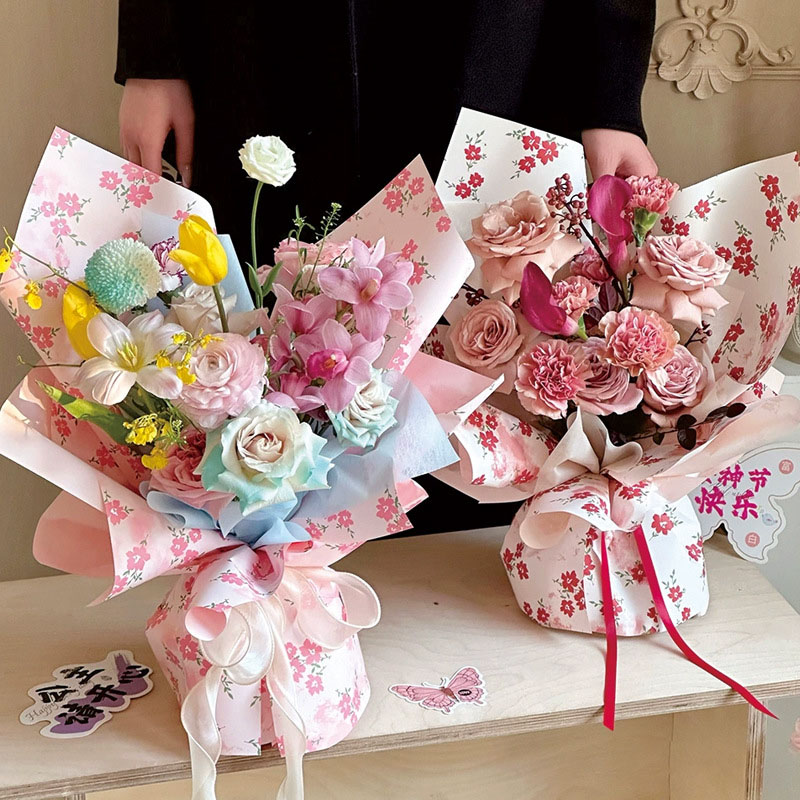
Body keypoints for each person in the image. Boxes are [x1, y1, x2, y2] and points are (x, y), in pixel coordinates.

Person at [116, 0, 658, 533]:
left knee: (476, 332)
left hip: (499, 41)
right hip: (260, 43)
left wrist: (611, 96)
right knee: (262, 311)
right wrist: (153, 56)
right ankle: (274, 553)